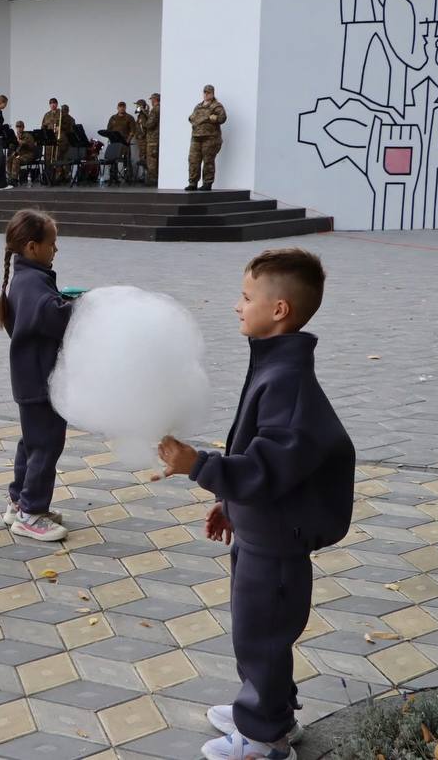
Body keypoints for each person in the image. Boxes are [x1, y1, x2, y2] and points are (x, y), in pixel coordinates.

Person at [158, 248, 354, 760]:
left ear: (279, 310)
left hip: (276, 545)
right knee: (256, 633)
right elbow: (259, 459)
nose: (237, 306)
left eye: (247, 297)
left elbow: (268, 466)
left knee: (263, 636)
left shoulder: (286, 381)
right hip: (261, 532)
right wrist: (231, 503)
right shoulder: (275, 365)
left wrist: (198, 465)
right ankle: (270, 713)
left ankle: (263, 738)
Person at [0, 209, 73, 542]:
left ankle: (19, 501)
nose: (55, 250)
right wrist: (81, 305)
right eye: (51, 244)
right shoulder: (32, 282)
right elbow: (50, 316)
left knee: (32, 442)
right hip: (40, 381)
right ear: (31, 247)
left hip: (31, 378)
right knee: (46, 445)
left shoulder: (27, 278)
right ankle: (31, 513)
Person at [187, 84, 227, 190]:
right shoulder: (198, 106)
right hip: (196, 137)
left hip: (210, 138)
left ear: (213, 94)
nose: (206, 94)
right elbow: (191, 117)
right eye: (204, 92)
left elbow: (223, 118)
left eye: (208, 92)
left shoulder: (216, 106)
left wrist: (215, 118)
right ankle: (192, 183)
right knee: (193, 160)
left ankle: (207, 183)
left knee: (208, 160)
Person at [40, 99, 62, 170]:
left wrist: (60, 128)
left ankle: (57, 176)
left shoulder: (61, 113)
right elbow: (43, 127)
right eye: (51, 103)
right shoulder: (47, 115)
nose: (52, 105)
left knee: (58, 156)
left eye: (54, 103)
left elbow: (67, 125)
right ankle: (48, 175)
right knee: (48, 157)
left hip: (58, 138)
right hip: (49, 139)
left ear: (57, 104)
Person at [144, 93, 161, 186]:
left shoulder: (155, 110)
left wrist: (144, 123)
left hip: (153, 138)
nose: (151, 101)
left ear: (155, 99)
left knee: (151, 160)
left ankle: (153, 179)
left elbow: (150, 124)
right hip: (158, 138)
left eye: (152, 99)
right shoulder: (162, 108)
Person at [134, 99, 150, 180]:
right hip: (140, 141)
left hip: (144, 140)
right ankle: (144, 175)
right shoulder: (140, 116)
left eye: (138, 105)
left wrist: (142, 135)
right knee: (142, 157)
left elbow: (145, 127)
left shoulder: (144, 116)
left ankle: (147, 176)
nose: (136, 107)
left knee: (144, 158)